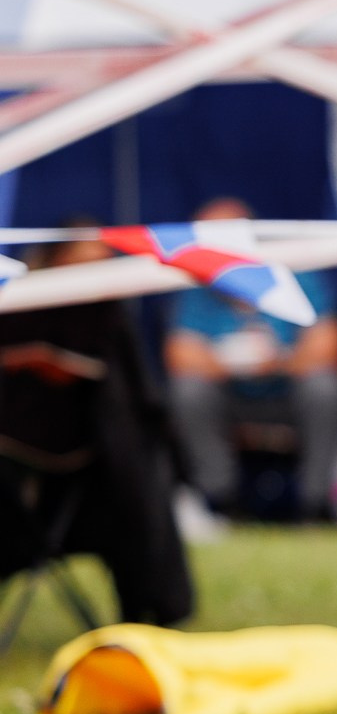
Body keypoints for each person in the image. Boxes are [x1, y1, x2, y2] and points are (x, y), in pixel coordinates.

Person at [0, 225, 194, 626]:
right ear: (55, 259)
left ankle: (144, 613)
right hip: (14, 482)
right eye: (82, 259)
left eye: (101, 262)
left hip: (98, 483)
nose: (92, 269)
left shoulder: (106, 318)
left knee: (134, 509)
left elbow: (138, 402)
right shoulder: (16, 303)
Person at [164, 197, 337, 519]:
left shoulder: (293, 276)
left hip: (286, 393)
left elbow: (328, 344)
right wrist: (230, 363)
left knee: (325, 387)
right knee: (189, 392)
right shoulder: (196, 288)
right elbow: (179, 355)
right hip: (230, 396)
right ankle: (219, 501)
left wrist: (277, 362)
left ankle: (315, 505)